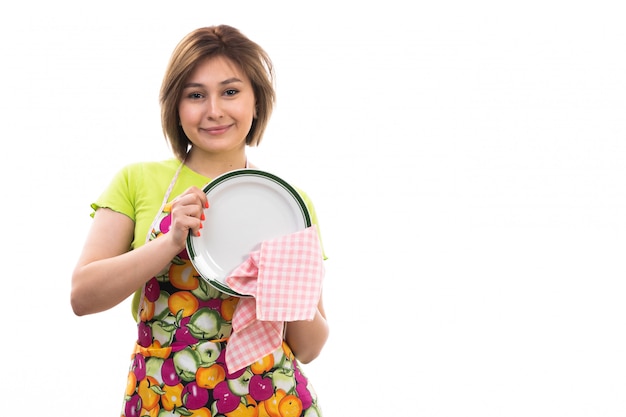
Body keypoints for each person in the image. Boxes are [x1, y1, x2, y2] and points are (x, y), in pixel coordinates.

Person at [71, 25, 328, 417]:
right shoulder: (137, 180)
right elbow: (82, 296)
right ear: (176, 105)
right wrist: (170, 242)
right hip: (166, 399)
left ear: (256, 101)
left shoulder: (288, 203)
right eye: (195, 95)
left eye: (230, 91)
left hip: (273, 400)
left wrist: (279, 276)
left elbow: (310, 347)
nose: (214, 110)